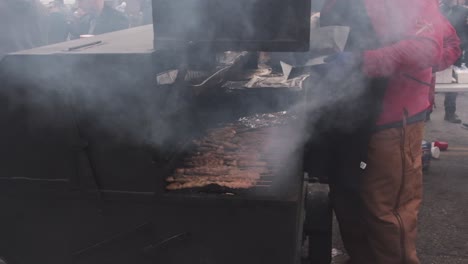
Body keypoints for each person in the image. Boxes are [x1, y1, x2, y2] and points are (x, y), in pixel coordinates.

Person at [314, 0, 461, 263]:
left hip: (391, 119)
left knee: (386, 212)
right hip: (345, 117)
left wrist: (365, 61)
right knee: (348, 202)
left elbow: (433, 48)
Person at [440, 0, 468, 123]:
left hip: (458, 50)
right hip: (440, 50)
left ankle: (450, 113)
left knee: (454, 83)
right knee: (433, 80)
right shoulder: (439, 10)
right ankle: (426, 112)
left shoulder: (464, 11)